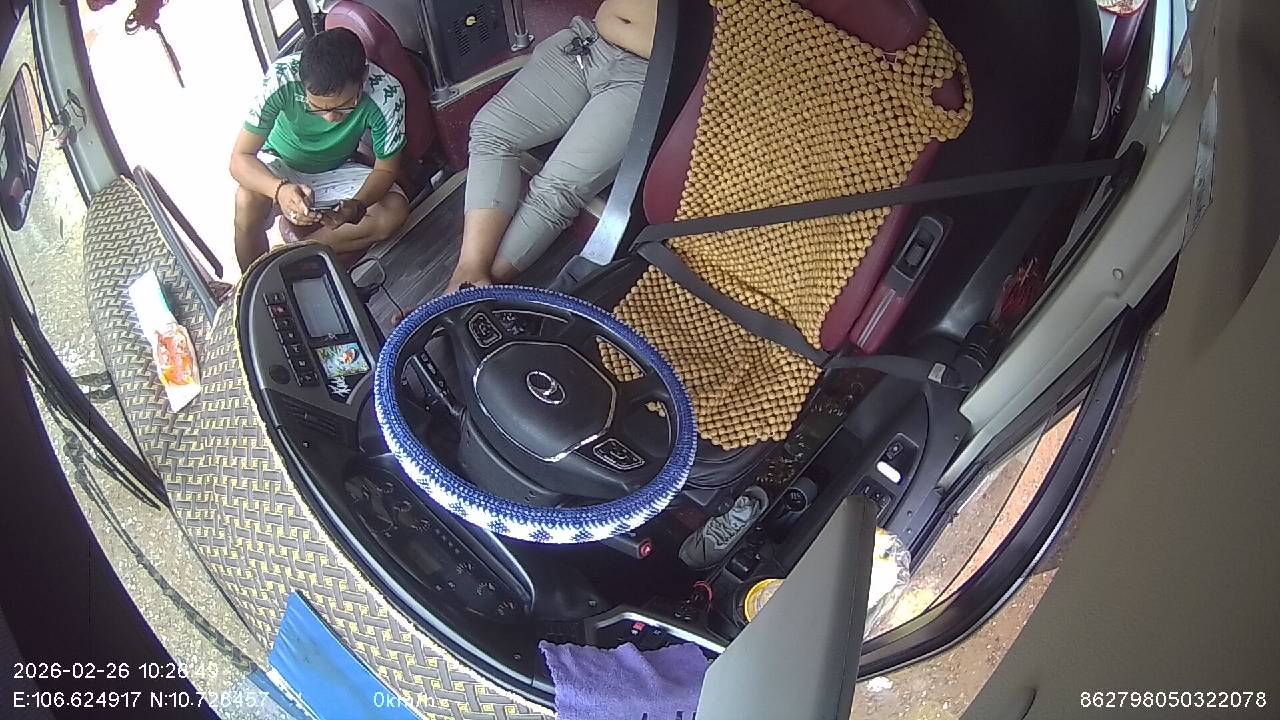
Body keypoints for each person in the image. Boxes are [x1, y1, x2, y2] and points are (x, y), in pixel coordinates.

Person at [446, 0, 657, 291]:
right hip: (588, 40)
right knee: (490, 131)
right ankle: (468, 273)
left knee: (557, 190)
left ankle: (463, 295)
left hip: (648, 74)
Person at [230, 28, 410, 271]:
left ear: (364, 75)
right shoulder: (281, 78)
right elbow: (240, 158)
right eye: (316, 107)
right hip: (280, 162)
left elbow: (386, 170)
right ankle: (255, 278)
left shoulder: (387, 93)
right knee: (246, 199)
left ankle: (290, 258)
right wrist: (279, 190)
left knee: (393, 212)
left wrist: (356, 205)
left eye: (344, 106)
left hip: (337, 168)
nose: (329, 118)